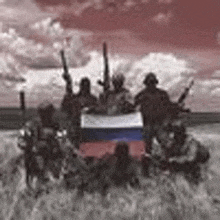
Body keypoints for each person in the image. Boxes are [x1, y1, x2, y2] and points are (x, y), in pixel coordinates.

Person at [17, 101, 63, 187]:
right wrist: (27, 146)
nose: (47, 116)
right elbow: (21, 138)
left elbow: (61, 138)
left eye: (49, 113)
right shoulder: (31, 125)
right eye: (45, 113)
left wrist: (58, 146)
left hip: (52, 156)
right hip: (35, 156)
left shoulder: (55, 125)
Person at [134, 72, 172, 154]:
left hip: (160, 124)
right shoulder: (141, 95)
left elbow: (169, 108)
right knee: (146, 148)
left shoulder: (163, 94)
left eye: (152, 82)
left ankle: (169, 162)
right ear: (146, 83)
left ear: (155, 83)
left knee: (167, 145)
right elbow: (133, 107)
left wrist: (167, 122)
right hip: (147, 124)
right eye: (149, 83)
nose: (151, 85)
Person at [61, 77, 98, 148]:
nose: (85, 88)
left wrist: (91, 109)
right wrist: (68, 85)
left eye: (87, 86)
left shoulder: (93, 99)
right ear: (81, 86)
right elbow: (65, 107)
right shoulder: (74, 98)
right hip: (75, 127)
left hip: (88, 128)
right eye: (84, 86)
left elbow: (98, 111)